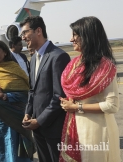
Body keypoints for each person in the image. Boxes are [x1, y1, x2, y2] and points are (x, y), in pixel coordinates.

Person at [59, 16, 121, 162]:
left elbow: (112, 105)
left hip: (97, 131)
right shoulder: (74, 64)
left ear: (88, 36)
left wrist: (76, 106)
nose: (71, 39)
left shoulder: (105, 67)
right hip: (75, 126)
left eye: (75, 35)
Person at [20, 16, 70, 162]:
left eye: (25, 33)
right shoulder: (34, 58)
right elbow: (32, 91)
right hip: (37, 127)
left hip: (53, 127)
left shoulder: (58, 56)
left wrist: (40, 120)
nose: (23, 37)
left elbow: (59, 96)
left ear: (38, 31)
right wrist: (28, 113)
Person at [0, 40, 35, 162]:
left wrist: (4, 96)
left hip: (13, 119)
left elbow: (25, 94)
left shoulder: (15, 70)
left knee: (13, 151)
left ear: (5, 52)